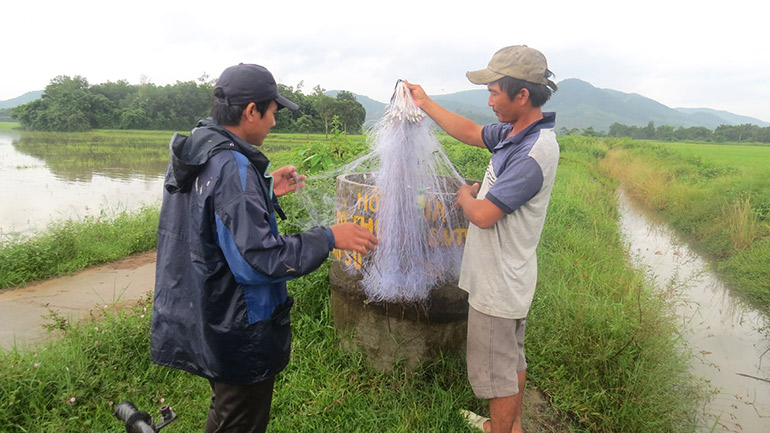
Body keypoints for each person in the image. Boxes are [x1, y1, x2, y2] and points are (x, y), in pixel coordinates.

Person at [150, 63, 378, 433]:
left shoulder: (201, 147)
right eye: (273, 112)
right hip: (238, 322)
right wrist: (330, 237)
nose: (275, 122)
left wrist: (265, 190)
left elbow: (210, 219)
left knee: (227, 407)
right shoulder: (232, 168)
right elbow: (259, 260)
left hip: (207, 309)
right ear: (251, 111)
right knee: (239, 418)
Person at [406, 45, 559, 433]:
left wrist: (465, 197)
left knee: (497, 372)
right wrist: (424, 102)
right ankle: (510, 426)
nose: (489, 100)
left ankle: (500, 428)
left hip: (499, 284)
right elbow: (471, 132)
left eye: (494, 92)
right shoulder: (515, 132)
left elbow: (485, 215)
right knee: (511, 362)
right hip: (508, 276)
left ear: (522, 95)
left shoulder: (533, 152)